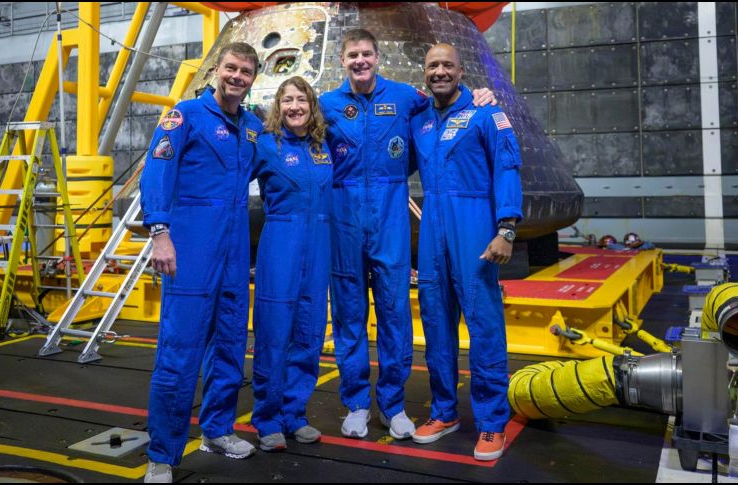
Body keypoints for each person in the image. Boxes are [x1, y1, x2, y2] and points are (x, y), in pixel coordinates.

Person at [319, 29, 497, 440]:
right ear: (342, 61)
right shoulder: (326, 106)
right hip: (343, 218)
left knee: (395, 315)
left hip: (391, 219)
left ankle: (393, 405)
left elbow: (448, 101)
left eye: (366, 53)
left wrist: (481, 94)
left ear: (377, 57)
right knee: (348, 316)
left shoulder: (406, 99)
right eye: (352, 55)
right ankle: (357, 404)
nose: (360, 61)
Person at [140, 43, 263, 483]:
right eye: (231, 68)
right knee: (179, 352)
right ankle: (162, 454)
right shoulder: (185, 114)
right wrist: (159, 231)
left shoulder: (252, 127)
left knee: (230, 345)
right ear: (216, 69)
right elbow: (156, 172)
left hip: (233, 250)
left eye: (246, 71)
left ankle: (216, 430)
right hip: (190, 246)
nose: (237, 76)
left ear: (253, 78)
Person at [409, 43, 523, 462]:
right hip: (434, 225)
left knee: (484, 323)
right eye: (432, 66)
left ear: (461, 71)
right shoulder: (419, 119)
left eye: (447, 65)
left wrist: (506, 228)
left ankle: (492, 423)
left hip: (475, 224)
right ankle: (444, 413)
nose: (439, 71)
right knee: (436, 324)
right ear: (425, 72)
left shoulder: (486, 113)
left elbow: (508, 167)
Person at [250, 76, 332, 452]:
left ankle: (294, 413)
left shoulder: (322, 145)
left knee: (310, 330)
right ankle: (267, 418)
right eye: (287, 100)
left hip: (319, 243)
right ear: (277, 107)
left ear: (312, 105)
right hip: (280, 241)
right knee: (274, 330)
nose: (295, 106)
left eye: (302, 99)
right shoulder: (265, 145)